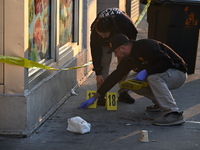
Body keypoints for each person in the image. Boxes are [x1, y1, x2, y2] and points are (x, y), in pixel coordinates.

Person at [79, 34, 188, 126]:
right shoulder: (128, 59)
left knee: (153, 77)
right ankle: (159, 103)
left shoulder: (146, 45)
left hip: (177, 73)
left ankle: (173, 114)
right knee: (129, 83)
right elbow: (114, 77)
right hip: (162, 75)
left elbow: (167, 62)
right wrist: (96, 96)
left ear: (122, 48)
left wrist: (147, 71)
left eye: (115, 52)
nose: (115, 55)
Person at [90, 8, 138, 105]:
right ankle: (101, 94)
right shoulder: (96, 31)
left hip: (122, 37)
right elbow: (96, 51)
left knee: (124, 64)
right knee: (104, 63)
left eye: (104, 35)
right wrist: (98, 72)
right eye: (100, 35)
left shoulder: (125, 25)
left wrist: (126, 53)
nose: (102, 36)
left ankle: (123, 92)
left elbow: (132, 41)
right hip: (107, 40)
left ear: (111, 31)